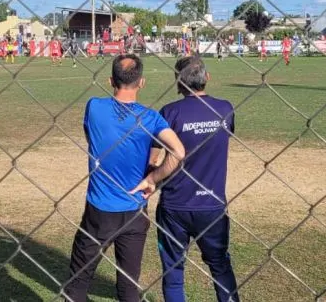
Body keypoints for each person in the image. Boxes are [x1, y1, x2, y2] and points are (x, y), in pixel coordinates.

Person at [62, 55, 185, 302]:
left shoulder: (94, 106)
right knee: (128, 287)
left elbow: (91, 137)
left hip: (99, 211)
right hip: (134, 209)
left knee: (77, 285)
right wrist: (153, 178)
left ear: (110, 80)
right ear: (142, 82)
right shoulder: (150, 118)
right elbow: (178, 152)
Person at [153, 57, 239, 302]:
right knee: (220, 266)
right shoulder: (224, 109)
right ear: (207, 78)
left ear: (178, 82)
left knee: (173, 271)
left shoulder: (170, 112)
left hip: (174, 205)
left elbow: (155, 149)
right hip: (212, 205)